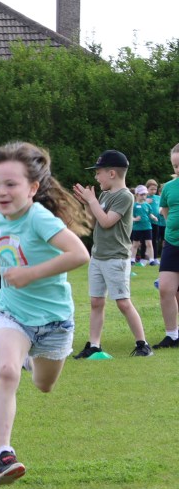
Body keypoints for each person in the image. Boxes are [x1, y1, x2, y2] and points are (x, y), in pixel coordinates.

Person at [0, 142, 91, 485]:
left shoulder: (39, 218)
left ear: (33, 187)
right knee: (6, 371)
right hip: (12, 314)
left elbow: (79, 254)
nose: (1, 192)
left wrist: (30, 274)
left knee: (44, 384)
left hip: (54, 322)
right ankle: (2, 455)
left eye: (10, 184)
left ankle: (29, 360)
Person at [71, 150, 152, 358]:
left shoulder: (125, 196)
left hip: (116, 258)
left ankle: (143, 344)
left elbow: (107, 222)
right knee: (96, 302)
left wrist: (92, 201)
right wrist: (87, 203)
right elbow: (95, 222)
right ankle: (94, 345)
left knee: (123, 302)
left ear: (112, 173)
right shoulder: (105, 195)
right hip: (98, 256)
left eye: (98, 173)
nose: (96, 177)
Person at [153, 143, 179, 348]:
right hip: (172, 243)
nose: (178, 169)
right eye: (175, 166)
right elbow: (166, 212)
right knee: (165, 288)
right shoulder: (169, 188)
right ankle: (172, 335)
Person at [131, 184, 156, 264]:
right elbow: (130, 217)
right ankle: (132, 259)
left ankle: (151, 260)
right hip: (137, 228)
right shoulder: (134, 206)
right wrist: (135, 219)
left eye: (145, 194)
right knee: (135, 244)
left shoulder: (147, 205)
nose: (143, 196)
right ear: (136, 195)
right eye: (141, 194)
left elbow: (150, 214)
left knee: (149, 243)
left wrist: (154, 217)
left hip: (147, 227)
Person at [146, 179, 164, 265]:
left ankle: (155, 258)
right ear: (147, 189)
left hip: (156, 223)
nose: (153, 191)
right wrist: (145, 201)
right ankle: (144, 258)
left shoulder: (158, 198)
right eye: (151, 189)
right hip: (146, 223)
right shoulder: (144, 197)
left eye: (155, 189)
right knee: (146, 241)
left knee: (155, 240)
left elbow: (162, 207)